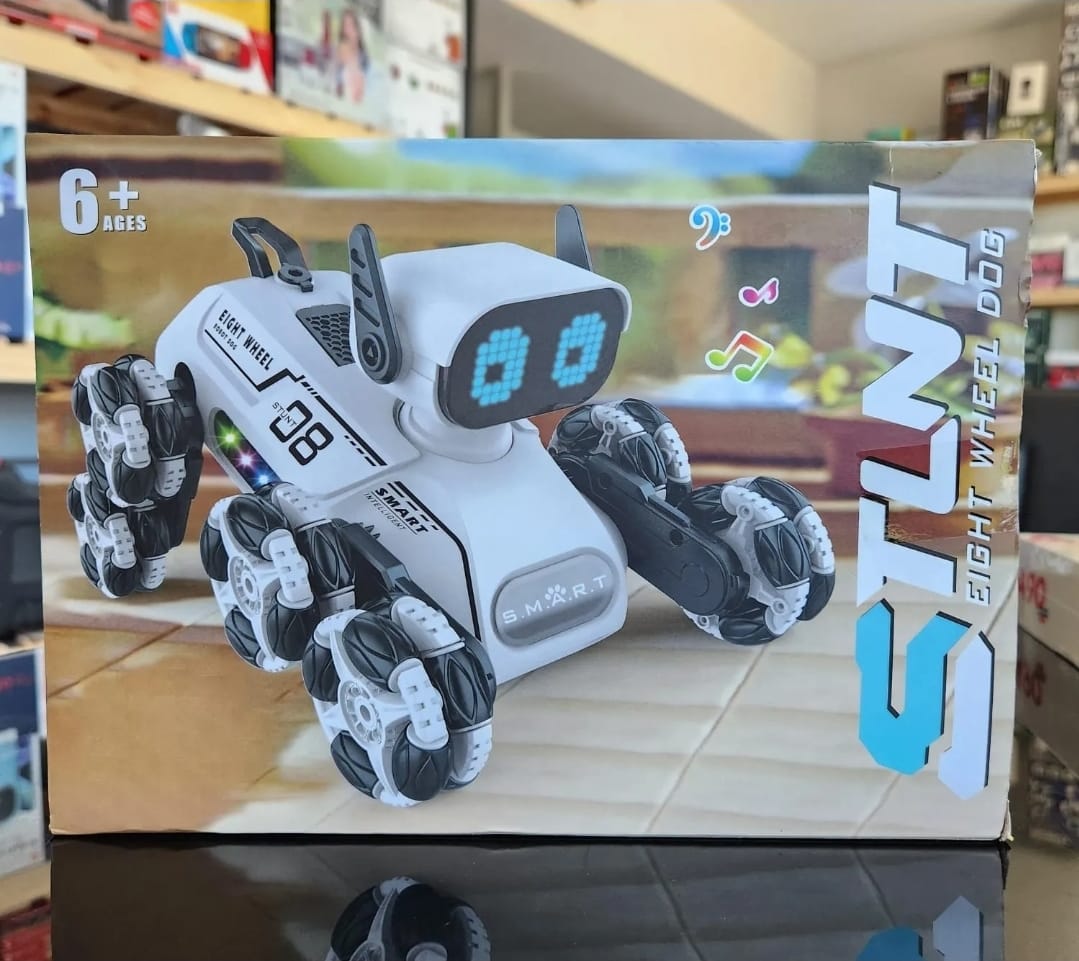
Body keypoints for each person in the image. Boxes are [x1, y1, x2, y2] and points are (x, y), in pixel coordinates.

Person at [337, 6, 368, 103]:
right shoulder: (343, 48)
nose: (348, 29)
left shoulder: (363, 57)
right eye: (345, 25)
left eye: (351, 25)